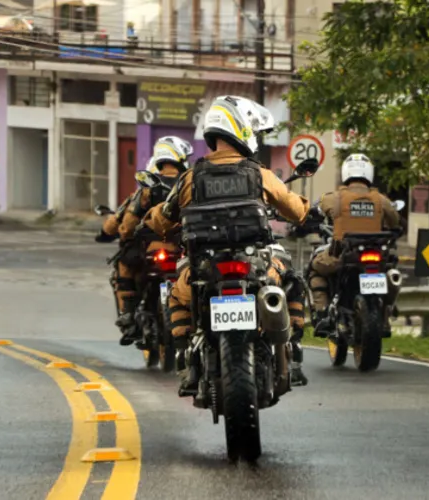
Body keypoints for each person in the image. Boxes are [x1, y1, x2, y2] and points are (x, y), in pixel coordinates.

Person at [142, 95, 311, 392]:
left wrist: (148, 221)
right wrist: (309, 211)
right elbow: (295, 209)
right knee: (293, 279)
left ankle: (186, 360)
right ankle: (293, 353)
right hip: (256, 266)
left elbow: (163, 219)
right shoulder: (259, 173)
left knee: (175, 296)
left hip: (203, 269)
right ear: (243, 129)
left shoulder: (190, 179)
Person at [100, 137, 193, 345]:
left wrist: (126, 236)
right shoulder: (189, 182)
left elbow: (128, 224)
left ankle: (129, 315)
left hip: (151, 251)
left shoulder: (148, 188)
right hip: (183, 248)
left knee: (124, 265)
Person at [307, 154, 401, 337]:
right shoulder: (381, 200)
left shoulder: (333, 198)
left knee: (315, 269)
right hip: (375, 257)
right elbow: (395, 222)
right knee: (391, 271)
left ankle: (323, 313)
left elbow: (313, 211)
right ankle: (386, 315)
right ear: (369, 174)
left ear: (345, 173)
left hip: (342, 257)